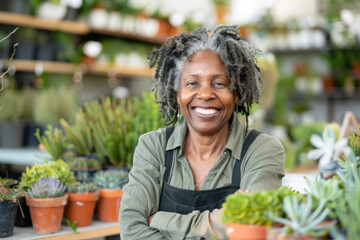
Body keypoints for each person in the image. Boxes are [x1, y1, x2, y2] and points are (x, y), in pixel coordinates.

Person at [119, 25, 285, 240]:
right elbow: (132, 230)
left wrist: (159, 220)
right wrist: (221, 221)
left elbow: (252, 224)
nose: (205, 94)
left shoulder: (261, 150)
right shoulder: (154, 147)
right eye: (192, 83)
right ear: (178, 93)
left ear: (236, 94)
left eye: (219, 83)